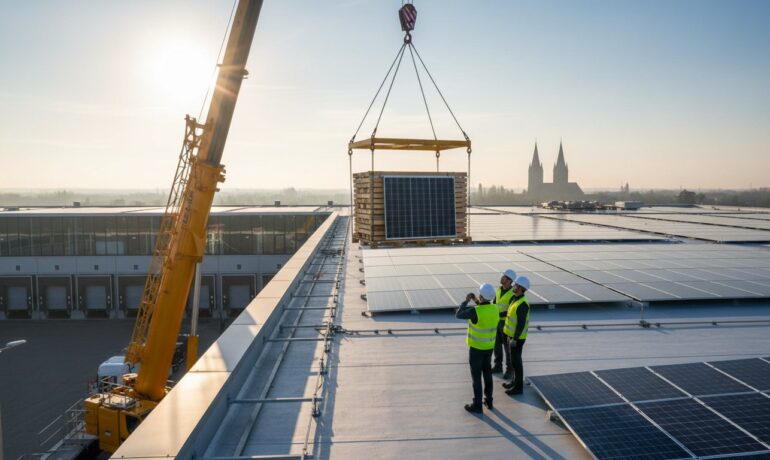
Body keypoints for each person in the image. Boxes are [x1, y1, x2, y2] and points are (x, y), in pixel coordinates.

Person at [456, 283, 499, 414]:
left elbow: (459, 314)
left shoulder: (475, 311)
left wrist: (466, 300)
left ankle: (477, 405)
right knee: (487, 374)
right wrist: (476, 300)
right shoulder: (495, 308)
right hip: (489, 348)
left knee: (476, 377)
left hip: (476, 349)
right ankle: (489, 400)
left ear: (481, 296)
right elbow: (483, 308)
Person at [502, 276, 531, 395]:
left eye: (515, 285)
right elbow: (508, 313)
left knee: (517, 363)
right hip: (510, 336)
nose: (513, 286)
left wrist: (515, 338)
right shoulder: (514, 299)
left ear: (520, 288)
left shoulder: (522, 304)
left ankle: (518, 388)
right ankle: (514, 382)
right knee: (514, 362)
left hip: (517, 339)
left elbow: (521, 324)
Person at [492, 268, 517, 378]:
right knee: (496, 346)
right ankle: (498, 366)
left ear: (509, 280)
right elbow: (494, 303)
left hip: (506, 325)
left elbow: (511, 310)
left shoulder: (512, 293)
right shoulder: (499, 290)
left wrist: (499, 315)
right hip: (497, 323)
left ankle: (509, 370)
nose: (501, 278)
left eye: (504, 276)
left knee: (507, 349)